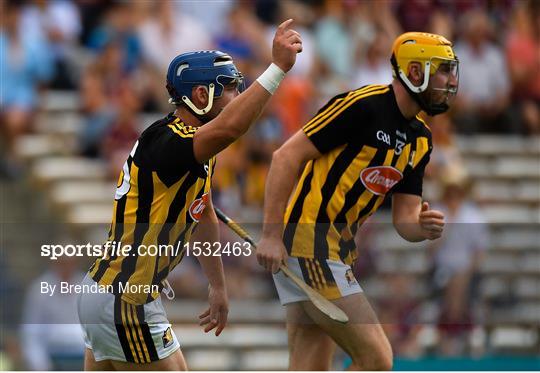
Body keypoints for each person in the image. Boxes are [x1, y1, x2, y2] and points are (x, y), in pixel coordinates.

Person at [77, 19, 302, 371]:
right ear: (201, 95)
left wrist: (217, 286)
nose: (237, 97)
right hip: (125, 297)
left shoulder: (194, 149)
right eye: (230, 88)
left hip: (121, 295)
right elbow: (231, 127)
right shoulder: (169, 141)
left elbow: (203, 212)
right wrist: (277, 69)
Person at [257, 32, 458, 370]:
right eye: (442, 70)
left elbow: (404, 219)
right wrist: (270, 234)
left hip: (338, 252)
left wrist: (420, 227)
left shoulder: (421, 141)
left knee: (309, 367)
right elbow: (284, 158)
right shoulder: (362, 106)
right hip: (310, 243)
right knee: (377, 358)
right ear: (413, 72)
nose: (450, 81)